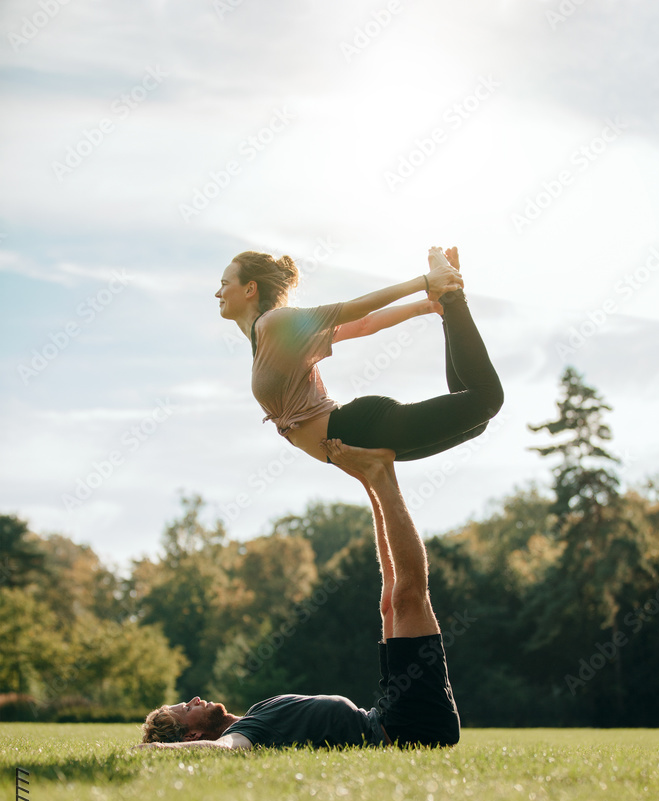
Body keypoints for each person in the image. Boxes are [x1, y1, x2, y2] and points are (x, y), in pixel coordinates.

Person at [137, 440, 460, 751]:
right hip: (409, 727)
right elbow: (224, 749)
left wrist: (366, 485)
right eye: (186, 709)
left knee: (390, 602)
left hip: (389, 712)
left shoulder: (255, 713)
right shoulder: (246, 732)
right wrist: (153, 750)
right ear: (192, 734)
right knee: (408, 595)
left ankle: (376, 478)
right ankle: (378, 475)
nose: (195, 699)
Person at [215, 245, 504, 465]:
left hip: (359, 428)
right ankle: (448, 298)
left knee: (487, 399)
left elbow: (355, 309)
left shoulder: (276, 322)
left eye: (225, 284)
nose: (218, 293)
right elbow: (366, 325)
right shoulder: (273, 339)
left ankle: (452, 295)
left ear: (250, 288)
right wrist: (426, 306)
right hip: (358, 446)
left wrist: (427, 282)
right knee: (476, 420)